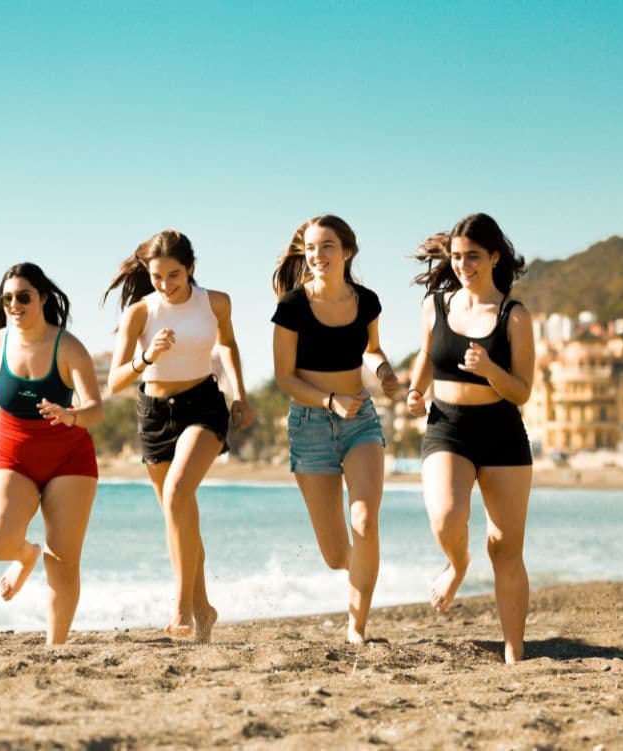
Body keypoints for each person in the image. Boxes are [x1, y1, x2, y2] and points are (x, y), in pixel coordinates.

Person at [103, 229, 254, 643]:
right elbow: (115, 382)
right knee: (179, 516)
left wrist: (238, 392)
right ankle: (204, 611)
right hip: (154, 415)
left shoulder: (215, 302)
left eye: (174, 275)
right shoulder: (140, 313)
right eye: (157, 277)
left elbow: (227, 344)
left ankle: (182, 607)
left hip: (203, 406)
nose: (166, 285)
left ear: (190, 268)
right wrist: (148, 356)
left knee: (176, 495)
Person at [0, 262, 103, 645]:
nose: (14, 304)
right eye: (8, 298)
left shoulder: (68, 346)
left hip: (70, 460)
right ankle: (26, 555)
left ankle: (56, 647)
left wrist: (71, 414)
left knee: (63, 562)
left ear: (43, 298)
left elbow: (95, 409)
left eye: (23, 297)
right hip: (12, 453)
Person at [405, 213, 534, 663]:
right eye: (457, 257)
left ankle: (514, 650)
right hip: (448, 428)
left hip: (502, 433)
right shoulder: (435, 306)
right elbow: (425, 355)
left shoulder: (513, 315)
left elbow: (522, 390)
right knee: (446, 515)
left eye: (473, 257)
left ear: (494, 257)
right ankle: (458, 565)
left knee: (505, 546)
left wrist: (490, 370)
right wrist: (414, 391)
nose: (463, 265)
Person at [271, 214, 397, 645]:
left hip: (360, 421)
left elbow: (372, 349)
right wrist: (328, 401)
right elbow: (285, 377)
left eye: (327, 246)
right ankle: (361, 569)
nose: (318, 255)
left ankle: (356, 629)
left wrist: (384, 371)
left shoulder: (367, 301)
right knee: (335, 554)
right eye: (311, 248)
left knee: (365, 522)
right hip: (310, 427)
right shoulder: (291, 306)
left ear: (346, 251)